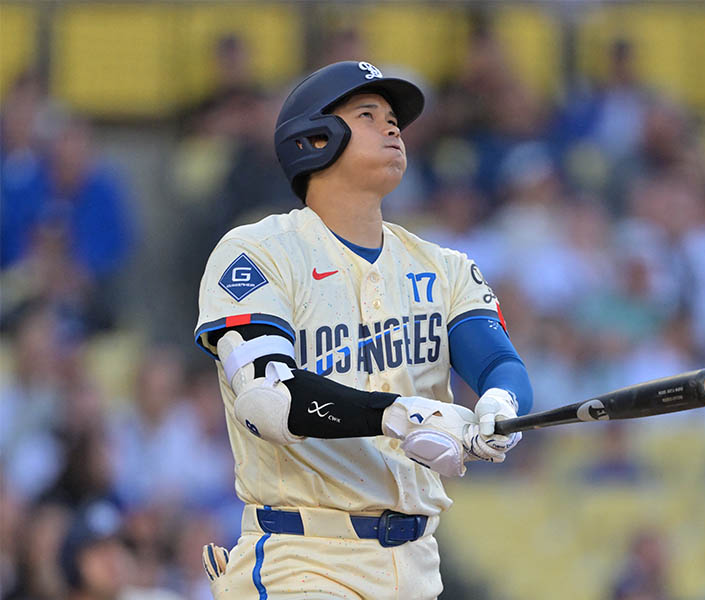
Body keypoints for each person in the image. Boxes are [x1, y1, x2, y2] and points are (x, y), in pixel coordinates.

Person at [193, 61, 533, 599]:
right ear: (313, 138)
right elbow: (268, 402)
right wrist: (401, 414)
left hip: (417, 563)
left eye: (393, 117)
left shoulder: (442, 265)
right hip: (304, 558)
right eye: (368, 115)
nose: (393, 127)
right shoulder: (258, 252)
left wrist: (500, 404)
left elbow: (498, 363)